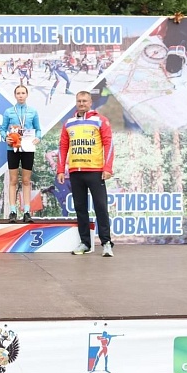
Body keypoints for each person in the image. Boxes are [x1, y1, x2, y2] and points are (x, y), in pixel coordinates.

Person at [56, 91, 115, 257]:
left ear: (90, 102)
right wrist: (60, 169)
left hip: (95, 171)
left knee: (101, 207)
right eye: (79, 101)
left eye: (84, 101)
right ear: (76, 103)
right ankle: (85, 243)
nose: (82, 103)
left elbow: (109, 144)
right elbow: (63, 147)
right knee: (80, 208)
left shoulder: (100, 120)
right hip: (75, 172)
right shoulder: (69, 123)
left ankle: (106, 243)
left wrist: (107, 168)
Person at [0, 85, 41, 223]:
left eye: (23, 93)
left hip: (28, 148)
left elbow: (38, 129)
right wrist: (5, 137)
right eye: (18, 93)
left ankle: (27, 212)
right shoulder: (9, 112)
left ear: (27, 95)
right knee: (13, 180)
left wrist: (38, 138)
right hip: (12, 148)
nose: (21, 95)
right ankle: (12, 211)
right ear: (15, 95)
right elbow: (2, 129)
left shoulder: (33, 111)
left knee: (26, 180)